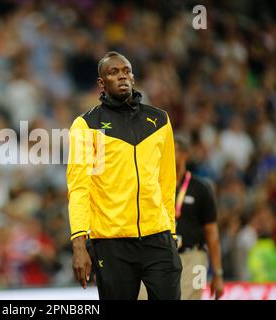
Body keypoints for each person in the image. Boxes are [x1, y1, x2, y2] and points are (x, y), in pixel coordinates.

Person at [67, 51, 182, 300]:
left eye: (126, 71)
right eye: (113, 72)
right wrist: (79, 243)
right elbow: (79, 188)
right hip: (111, 242)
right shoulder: (86, 125)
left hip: (158, 238)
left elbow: (167, 182)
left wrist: (171, 233)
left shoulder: (160, 120)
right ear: (101, 83)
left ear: (134, 76)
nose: (122, 76)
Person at [171, 134, 224, 299]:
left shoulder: (201, 189)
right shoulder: (156, 185)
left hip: (195, 258)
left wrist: (218, 273)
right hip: (163, 255)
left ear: (185, 155)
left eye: (172, 151)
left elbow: (212, 233)